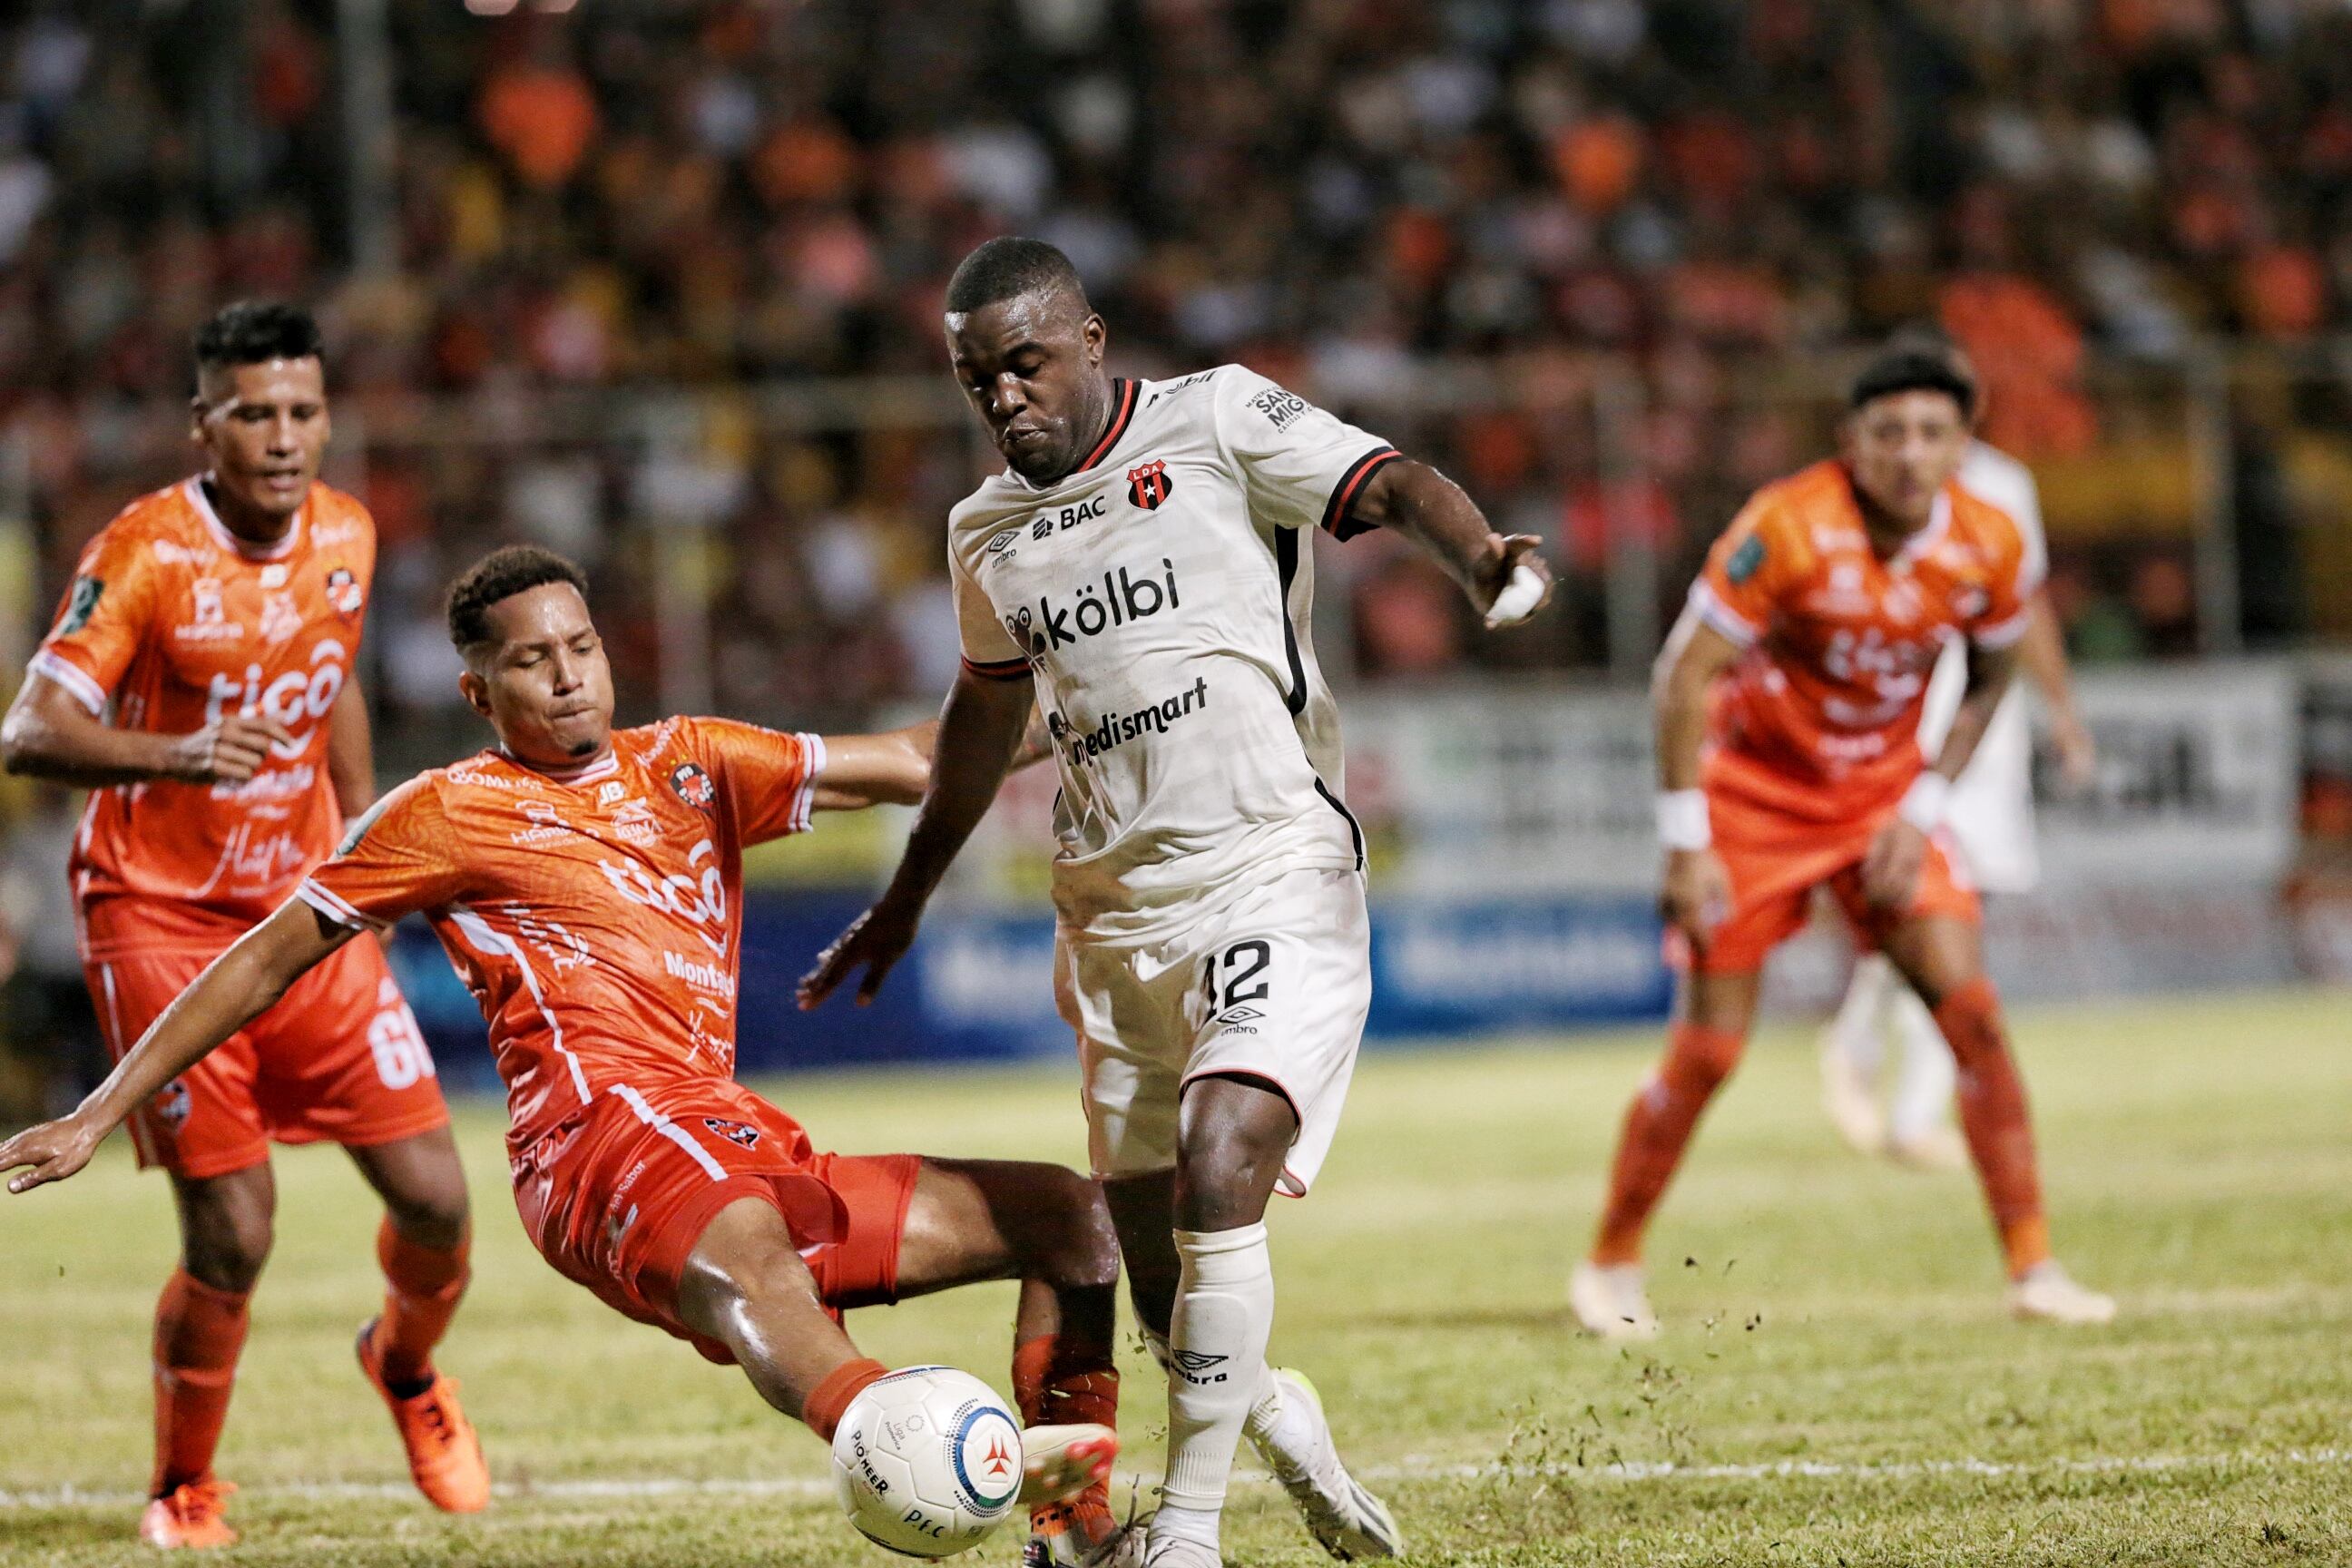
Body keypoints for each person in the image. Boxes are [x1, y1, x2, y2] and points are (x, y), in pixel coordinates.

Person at [0, 545, 1123, 1559]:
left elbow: (925, 759)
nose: (570, 674)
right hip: (593, 1148)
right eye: (533, 660)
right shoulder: (442, 813)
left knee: (1068, 1222)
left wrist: (1096, 697)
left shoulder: (696, 762)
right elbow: (263, 957)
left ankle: (1074, 1535)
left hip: (722, 1128)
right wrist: (100, 1108)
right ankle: (892, 1435)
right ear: (477, 691)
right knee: (752, 1240)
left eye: (582, 646)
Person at [799, 236, 1554, 1568]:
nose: (1005, 400)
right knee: (1166, 1287)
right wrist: (910, 891)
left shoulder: (1213, 419)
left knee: (1223, 1175)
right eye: (979, 381)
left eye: (1025, 364)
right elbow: (983, 723)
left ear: (1091, 339)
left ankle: (1189, 1536)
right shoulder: (986, 533)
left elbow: (1387, 481)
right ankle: (1279, 1420)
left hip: (1271, 864)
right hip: (1109, 919)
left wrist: (1478, 553)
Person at [0, 302, 485, 1548]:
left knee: (437, 1200)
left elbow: (332, 701)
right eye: (255, 413)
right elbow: (29, 732)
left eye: (304, 412)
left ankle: (407, 1367)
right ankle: (182, 1486)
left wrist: (367, 853)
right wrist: (178, 752)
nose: (283, 437)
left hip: (302, 905)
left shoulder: (350, 533)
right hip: (157, 915)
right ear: (203, 423)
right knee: (237, 1227)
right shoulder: (146, 554)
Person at [1568, 343, 2115, 1340]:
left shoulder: (1991, 542)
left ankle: (2034, 1268)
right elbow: (1682, 676)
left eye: (1933, 433)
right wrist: (1686, 842)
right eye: (1890, 433)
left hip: (1880, 808)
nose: (1911, 455)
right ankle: (1610, 1261)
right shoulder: (1785, 527)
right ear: (1850, 443)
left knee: (1974, 1020)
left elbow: (1995, 677)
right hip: (1754, 807)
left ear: (1964, 443)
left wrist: (1924, 806)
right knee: (1708, 1054)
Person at [1818, 338, 2098, 1168]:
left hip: (1985, 726)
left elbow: (2026, 609)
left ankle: (1859, 1049)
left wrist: (2061, 709)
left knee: (1951, 910)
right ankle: (1905, 1110)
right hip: (1901, 724)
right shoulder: (1859, 492)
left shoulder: (2006, 489)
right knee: (1941, 908)